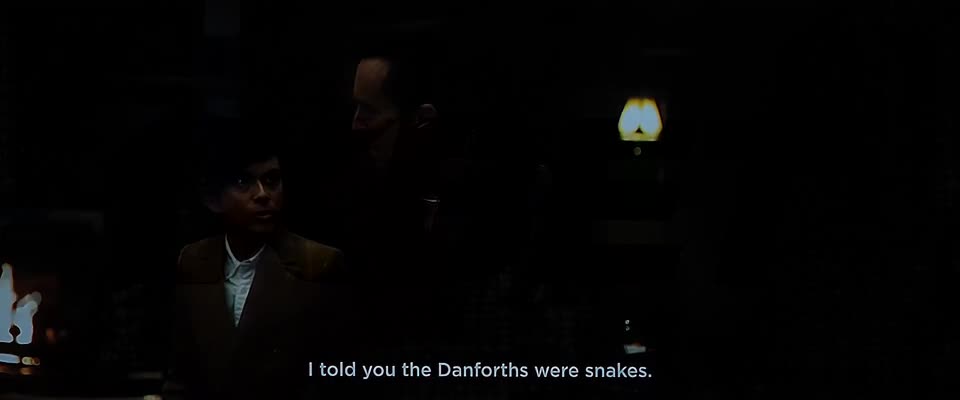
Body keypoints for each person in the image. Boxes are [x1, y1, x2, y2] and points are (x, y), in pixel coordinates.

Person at [163, 123, 349, 399]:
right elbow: (182, 375)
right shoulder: (194, 261)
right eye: (243, 182)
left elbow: (333, 375)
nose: (262, 194)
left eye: (272, 180)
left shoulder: (317, 263)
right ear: (213, 198)